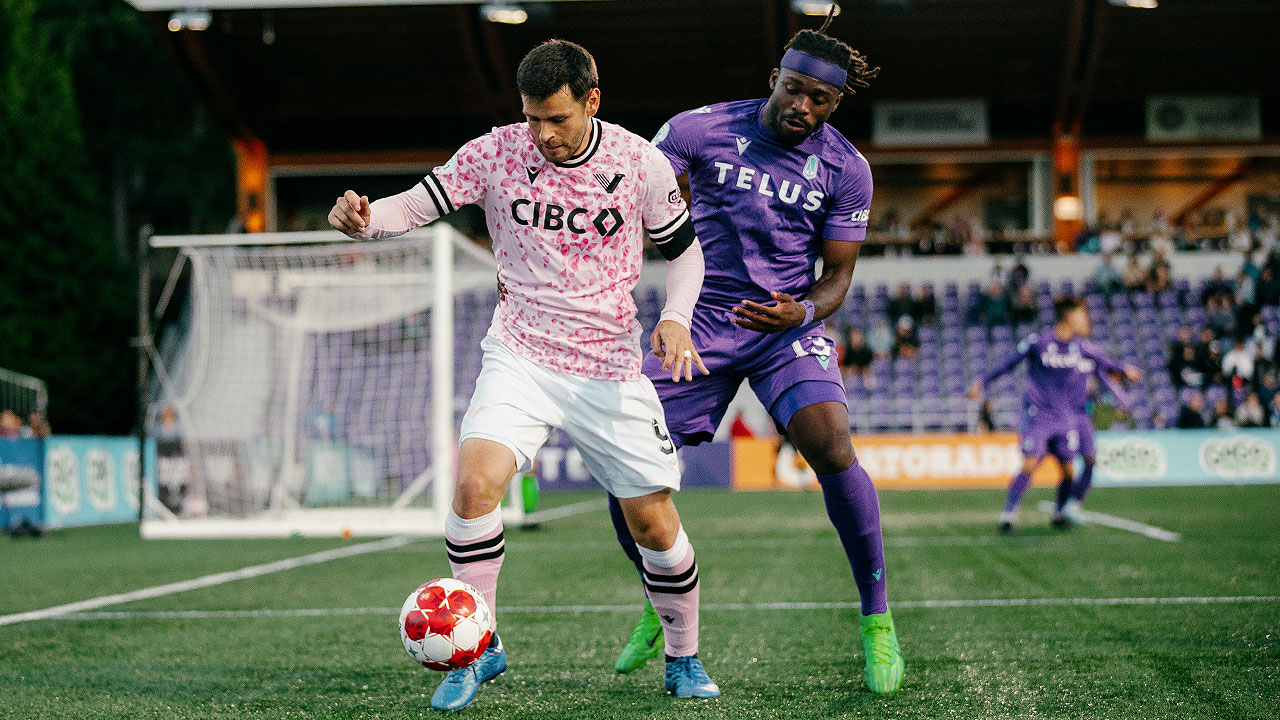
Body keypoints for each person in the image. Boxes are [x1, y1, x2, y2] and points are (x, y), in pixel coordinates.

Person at [328, 39, 718, 707]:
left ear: (592, 101)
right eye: (532, 118)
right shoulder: (496, 152)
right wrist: (365, 221)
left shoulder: (639, 163)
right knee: (473, 485)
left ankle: (684, 657)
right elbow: (414, 205)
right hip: (521, 354)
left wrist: (677, 317)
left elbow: (685, 253)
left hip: (607, 366)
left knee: (654, 525)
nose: (542, 134)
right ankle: (479, 649)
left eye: (557, 119)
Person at [603, 13, 905, 693]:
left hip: (784, 327)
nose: (803, 106)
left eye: (820, 99)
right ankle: (660, 597)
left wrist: (803, 311)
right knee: (626, 461)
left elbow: (838, 278)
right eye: (794, 89)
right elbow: (632, 203)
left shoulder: (847, 169)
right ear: (774, 78)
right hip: (699, 322)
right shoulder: (696, 130)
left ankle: (877, 620)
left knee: (832, 445)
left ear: (835, 104)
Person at [968, 296, 1139, 533]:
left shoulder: (1080, 347)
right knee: (1029, 464)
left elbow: (1104, 360)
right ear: (1069, 317)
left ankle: (1059, 513)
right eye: (1081, 315)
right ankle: (1008, 514)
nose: (1086, 319)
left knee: (1069, 470)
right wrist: (982, 382)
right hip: (1038, 417)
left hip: (1065, 420)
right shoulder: (1039, 342)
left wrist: (1125, 369)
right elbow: (1008, 363)